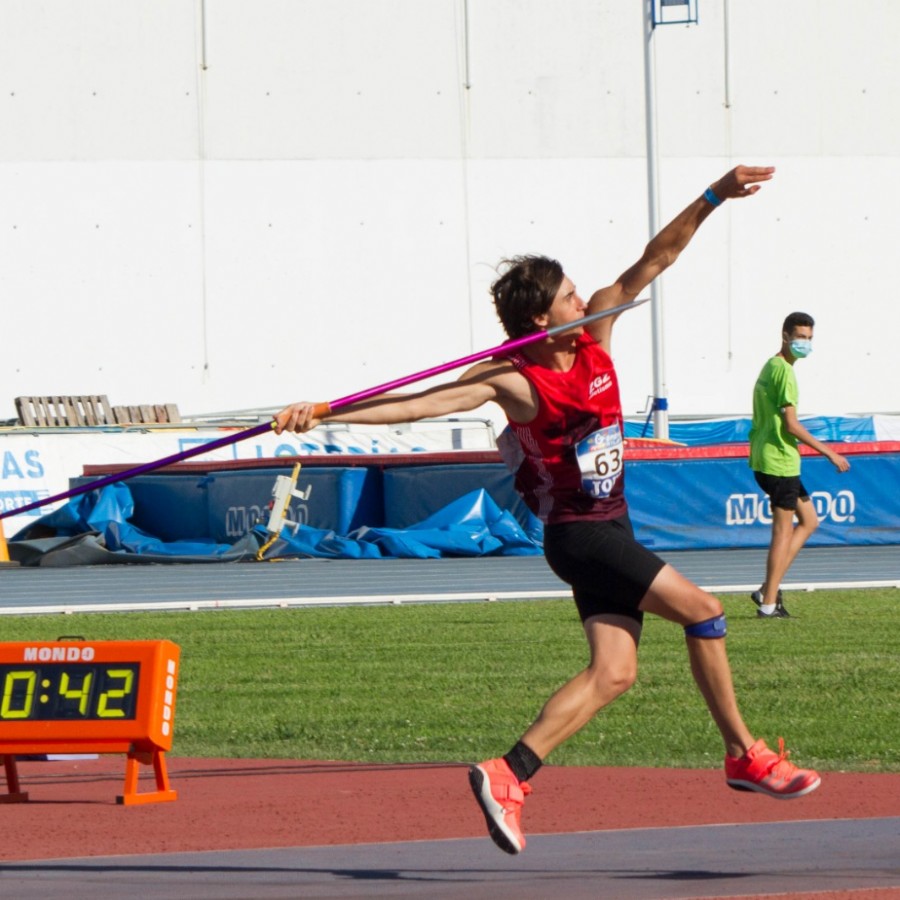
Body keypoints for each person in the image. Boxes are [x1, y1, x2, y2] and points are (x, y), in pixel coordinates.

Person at [275, 165, 822, 857]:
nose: (581, 296)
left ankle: (509, 773)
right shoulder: (511, 379)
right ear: (541, 317)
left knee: (614, 673)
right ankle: (744, 755)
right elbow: (415, 403)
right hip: (579, 536)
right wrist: (322, 411)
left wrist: (714, 195)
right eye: (568, 294)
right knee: (705, 611)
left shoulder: (598, 332)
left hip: (613, 526)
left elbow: (658, 256)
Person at [748, 312, 851, 618]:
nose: (805, 343)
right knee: (782, 534)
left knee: (810, 521)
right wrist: (829, 452)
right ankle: (768, 604)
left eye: (809, 338)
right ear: (785, 336)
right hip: (779, 463)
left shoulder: (773, 365)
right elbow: (791, 425)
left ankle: (767, 587)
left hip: (771, 460)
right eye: (800, 337)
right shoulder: (784, 373)